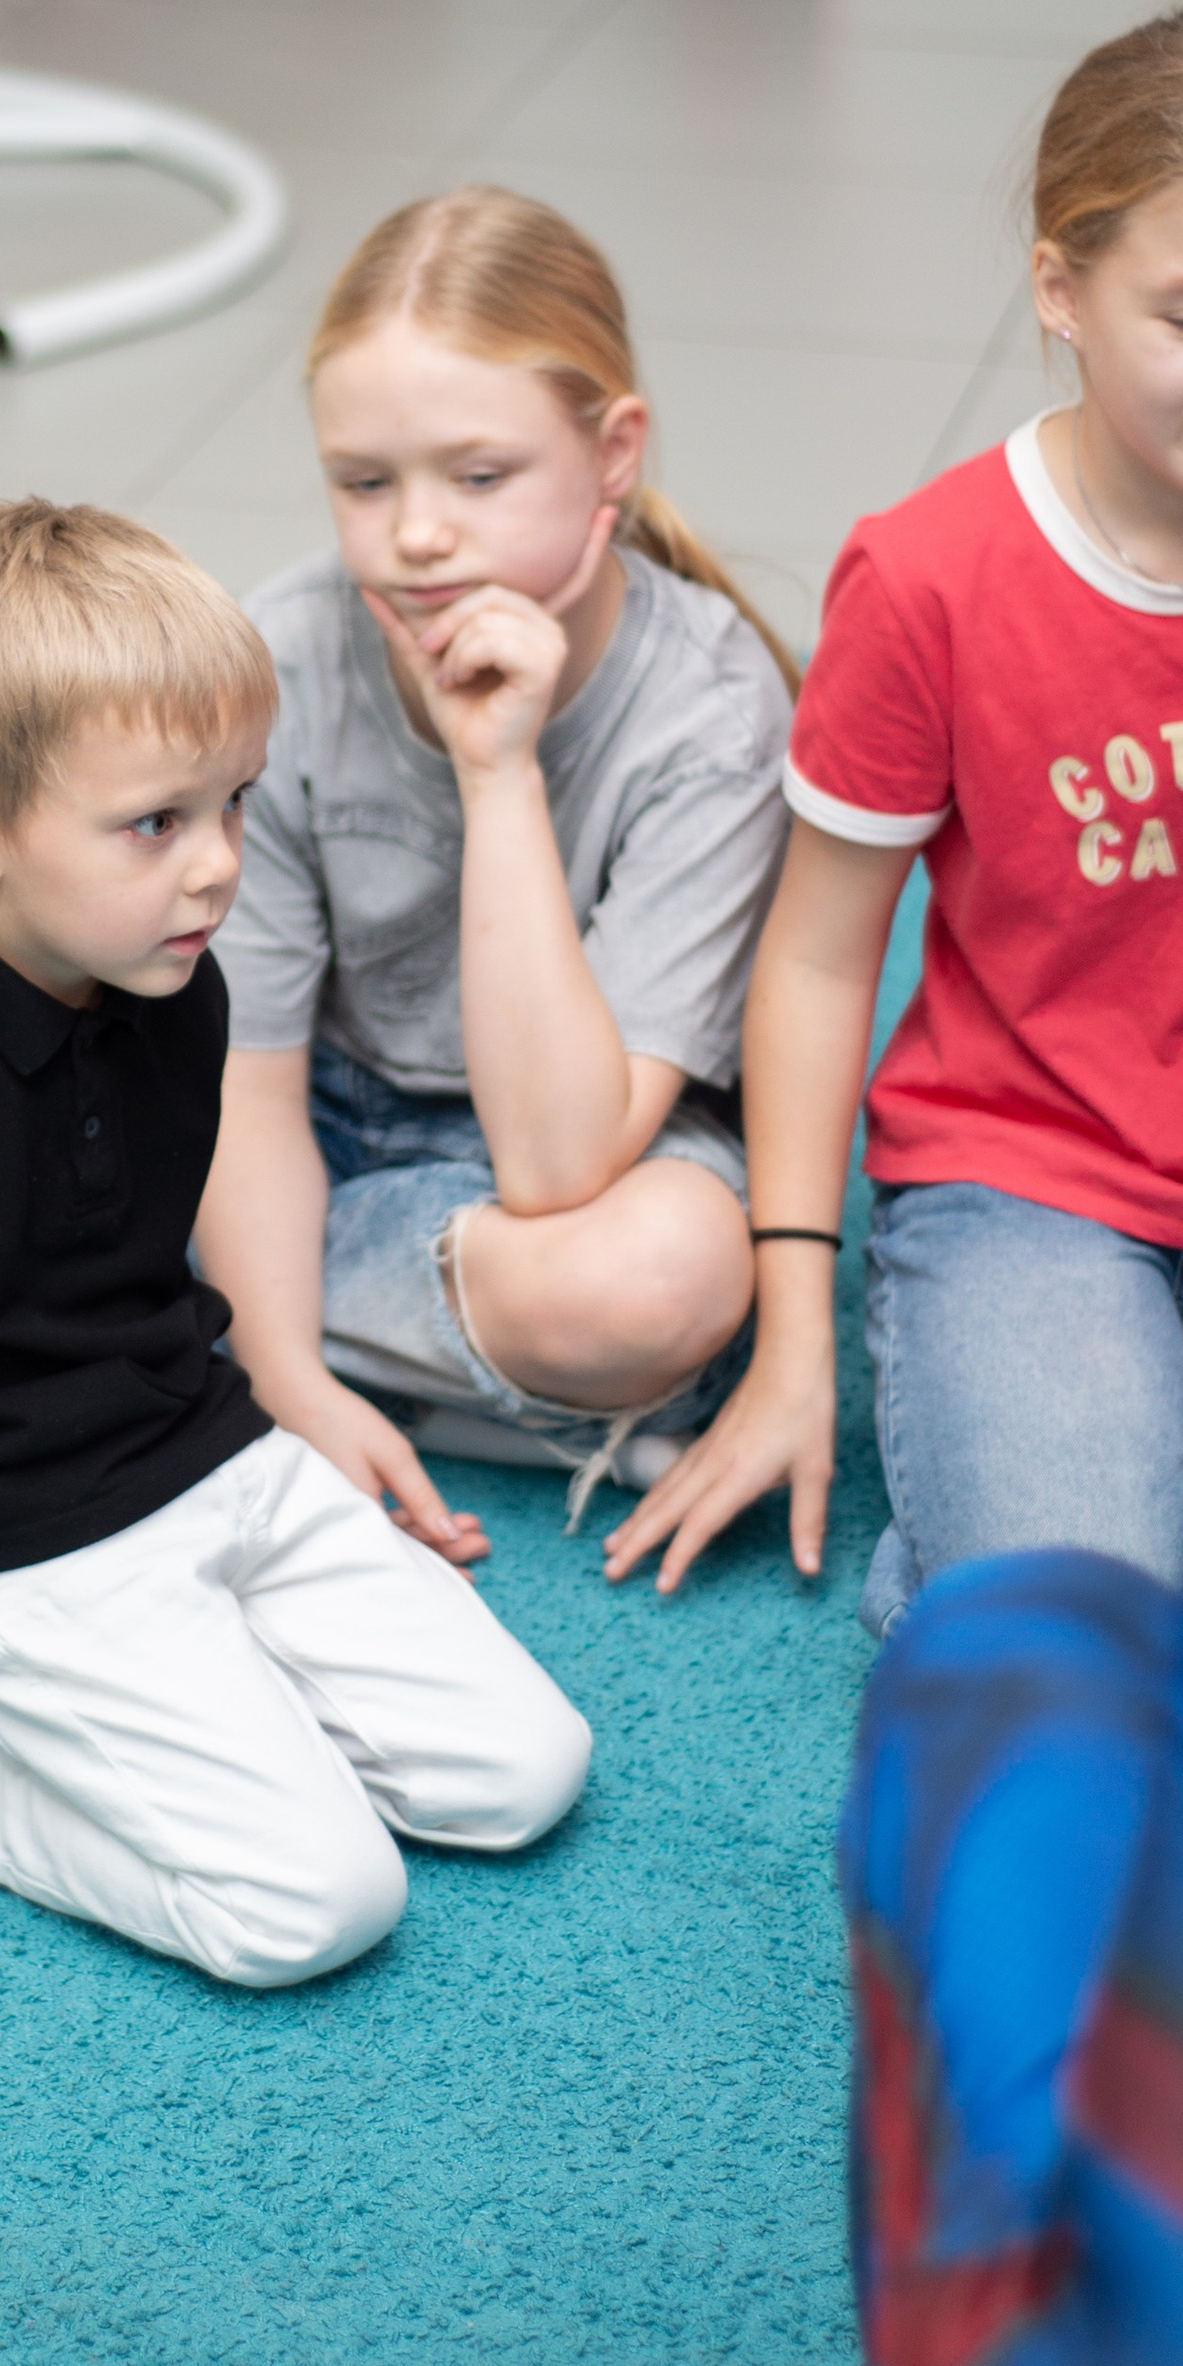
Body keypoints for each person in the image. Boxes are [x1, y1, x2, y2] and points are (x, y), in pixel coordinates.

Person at [0, 497, 591, 1991]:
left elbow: (154, 1256)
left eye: (237, 801)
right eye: (158, 821)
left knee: (527, 1773)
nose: (221, 865)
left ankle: (217, 1694)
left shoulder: (169, 970)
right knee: (313, 1907)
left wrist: (296, 1416)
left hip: (199, 1449)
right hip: (4, 1546)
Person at [604, 6, 1183, 1626]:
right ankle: (1011, 1525)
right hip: (1024, 1185)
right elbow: (823, 961)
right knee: (1105, 1633)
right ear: (1062, 293)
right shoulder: (927, 576)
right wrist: (793, 1330)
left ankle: (1006, 1528)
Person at [194, 187, 797, 1552]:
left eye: (478, 477)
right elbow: (246, 1087)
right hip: (316, 1131)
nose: (416, 535)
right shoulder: (280, 659)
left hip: (587, 1152)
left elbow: (556, 1162)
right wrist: (286, 1386)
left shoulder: (711, 704)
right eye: (365, 482)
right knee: (3, 1153)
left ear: (612, 454)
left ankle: (204, 1337)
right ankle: (351, 1365)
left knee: (669, 1280)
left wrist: (498, 769)